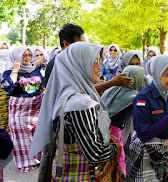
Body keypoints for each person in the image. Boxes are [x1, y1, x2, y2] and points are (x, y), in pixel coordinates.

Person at [30, 42, 125, 181]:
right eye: (94, 61)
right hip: (84, 174)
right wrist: (116, 149)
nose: (99, 66)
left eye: (100, 60)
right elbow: (95, 154)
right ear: (79, 65)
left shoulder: (66, 93)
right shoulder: (81, 103)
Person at [1, 46, 44, 172]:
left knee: (36, 135)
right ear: (17, 56)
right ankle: (25, 163)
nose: (27, 58)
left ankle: (37, 159)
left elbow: (41, 84)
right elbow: (7, 87)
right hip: (19, 110)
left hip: (35, 108)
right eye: (24, 55)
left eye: (29, 55)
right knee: (21, 138)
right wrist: (15, 71)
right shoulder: (9, 72)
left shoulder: (34, 70)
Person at [101, 65, 145, 177]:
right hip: (115, 135)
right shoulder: (133, 96)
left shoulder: (111, 90)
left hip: (102, 129)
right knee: (118, 164)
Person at [0, 41, 10, 131]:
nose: (4, 51)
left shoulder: (11, 64)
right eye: (2, 49)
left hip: (9, 95)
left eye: (6, 49)